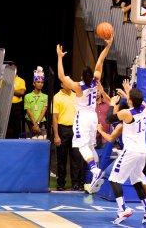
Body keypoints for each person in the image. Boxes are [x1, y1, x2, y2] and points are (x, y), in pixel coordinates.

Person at [56, 35, 113, 194]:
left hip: (83, 117)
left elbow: (61, 76)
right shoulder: (96, 81)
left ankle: (94, 170)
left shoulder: (78, 87)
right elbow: (100, 61)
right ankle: (96, 173)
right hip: (93, 116)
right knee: (90, 146)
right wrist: (108, 46)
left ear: (82, 76)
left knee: (81, 146)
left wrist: (60, 58)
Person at [105, 89, 146, 224]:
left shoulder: (126, 113)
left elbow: (109, 119)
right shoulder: (144, 108)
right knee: (136, 180)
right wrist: (128, 94)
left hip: (131, 151)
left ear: (131, 101)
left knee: (114, 179)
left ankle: (123, 209)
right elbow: (139, 102)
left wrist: (112, 103)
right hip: (142, 151)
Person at [53, 79, 84, 191]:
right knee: (61, 158)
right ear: (61, 84)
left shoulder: (76, 96)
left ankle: (76, 183)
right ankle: (61, 183)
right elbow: (55, 118)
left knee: (76, 157)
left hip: (76, 129)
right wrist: (56, 135)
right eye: (66, 82)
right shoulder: (57, 97)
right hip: (63, 129)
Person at [24, 66, 48, 139]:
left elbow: (44, 111)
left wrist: (37, 124)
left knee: (42, 142)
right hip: (29, 123)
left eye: (42, 82)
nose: (40, 84)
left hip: (41, 123)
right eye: (38, 82)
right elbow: (28, 112)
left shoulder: (45, 96)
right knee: (29, 143)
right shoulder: (27, 96)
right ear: (34, 83)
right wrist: (35, 124)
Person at [7, 62, 26, 138]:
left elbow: (22, 92)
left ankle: (16, 139)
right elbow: (2, 92)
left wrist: (10, 90)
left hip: (17, 105)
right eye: (11, 69)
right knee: (6, 124)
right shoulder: (4, 80)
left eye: (14, 68)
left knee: (17, 125)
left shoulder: (21, 80)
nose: (13, 70)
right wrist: (15, 91)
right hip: (6, 105)